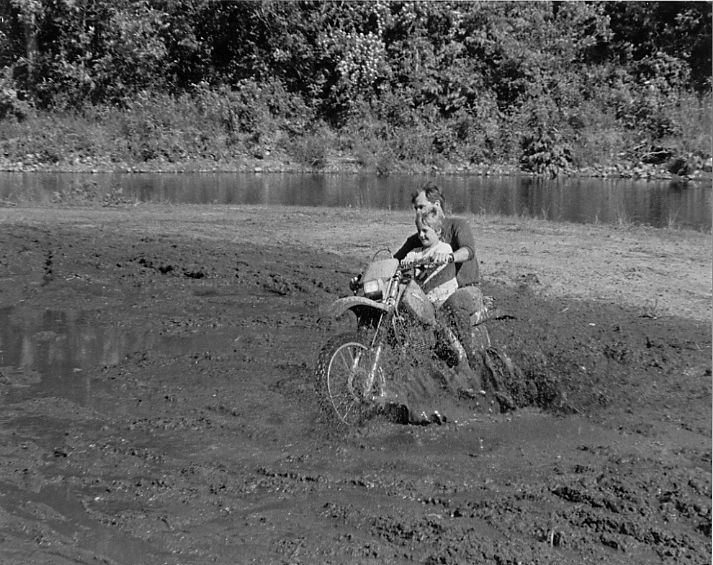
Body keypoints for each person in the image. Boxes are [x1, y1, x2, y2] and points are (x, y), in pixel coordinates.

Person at [394, 182, 487, 388]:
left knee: (452, 304)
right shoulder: (418, 238)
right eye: (415, 209)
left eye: (421, 207)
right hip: (433, 298)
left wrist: (450, 257)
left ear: (435, 205)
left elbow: (468, 250)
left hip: (466, 290)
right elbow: (395, 260)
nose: (417, 212)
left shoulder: (457, 226)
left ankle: (469, 361)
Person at [399, 209, 457, 308]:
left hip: (444, 297)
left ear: (437, 232)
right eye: (419, 231)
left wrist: (441, 257)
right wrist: (406, 262)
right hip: (425, 299)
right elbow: (407, 259)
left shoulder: (443, 248)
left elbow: (444, 255)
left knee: (449, 313)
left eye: (425, 231)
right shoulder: (415, 252)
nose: (421, 235)